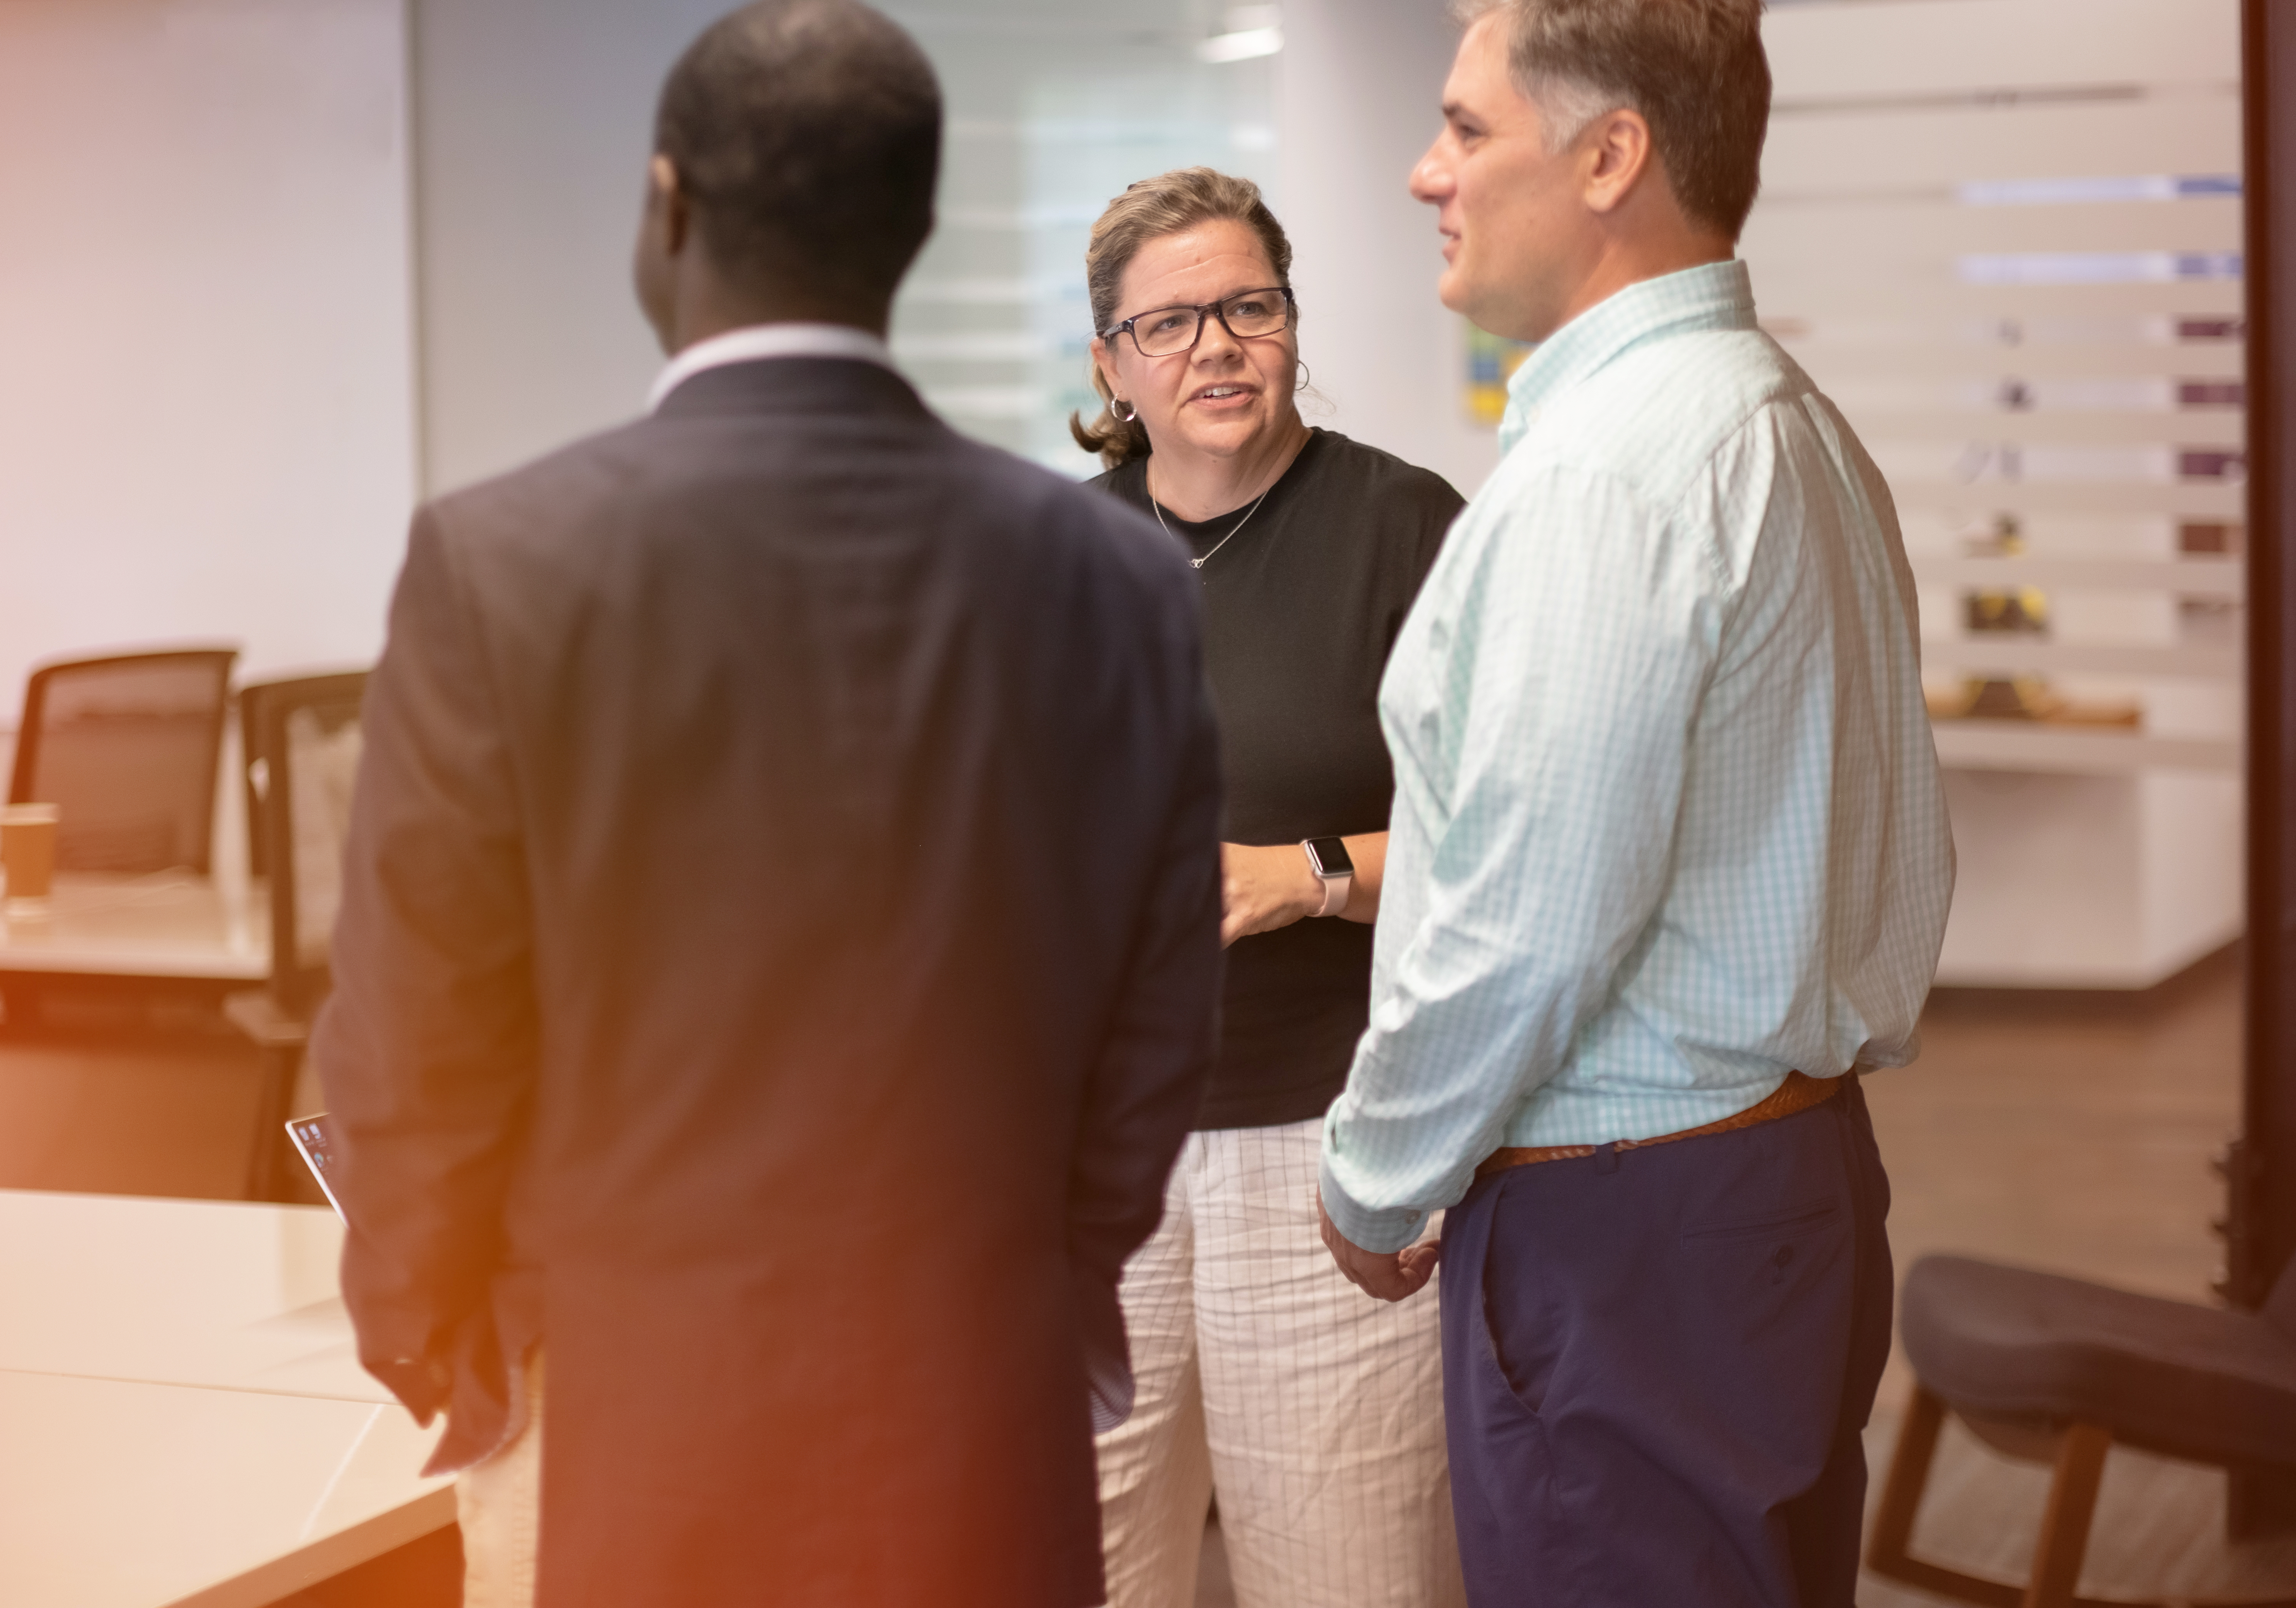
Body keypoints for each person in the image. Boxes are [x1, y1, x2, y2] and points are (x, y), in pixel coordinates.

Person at [312, 3, 1224, 1604]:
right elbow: (1158, 1022)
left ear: (666, 206)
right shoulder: (1118, 580)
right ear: (920, 226)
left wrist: (434, 1340)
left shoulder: (504, 564)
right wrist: (1048, 1283)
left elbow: (415, 1035)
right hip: (983, 1413)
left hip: (627, 1413)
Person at [1313, 3, 1954, 1606]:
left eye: (1467, 129)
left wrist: (1374, 1173)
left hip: (1631, 1227)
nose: (1422, 173)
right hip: (1770, 1196)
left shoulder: (1617, 469)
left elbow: (1525, 918)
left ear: (1613, 155)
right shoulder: (1782, 420)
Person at [1072, 167, 1469, 1608]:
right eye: (1168, 323)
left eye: (1249, 305)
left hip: (1325, 1152)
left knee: (1343, 1578)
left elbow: (1509, 852)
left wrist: (1307, 875)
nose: (1217, 347)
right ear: (1111, 362)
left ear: (1292, 323)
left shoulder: (1407, 530)